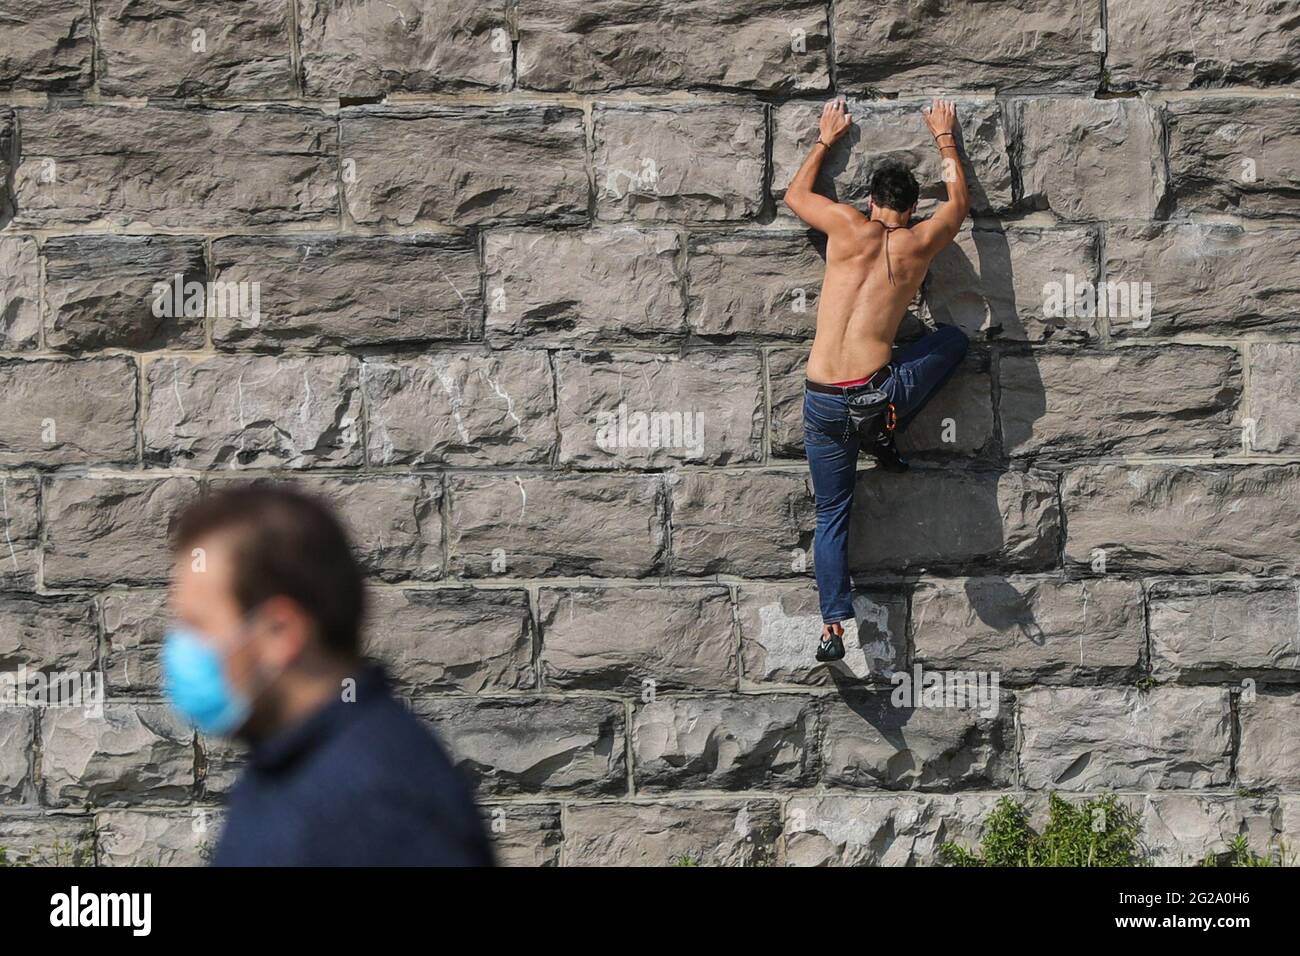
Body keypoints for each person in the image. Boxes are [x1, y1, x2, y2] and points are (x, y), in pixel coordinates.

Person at [163, 486, 494, 866]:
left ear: (280, 632)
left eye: (198, 625)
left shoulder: (380, 798)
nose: (180, 648)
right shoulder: (287, 762)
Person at [784, 98, 971, 663]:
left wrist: (825, 138)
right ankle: (886, 427)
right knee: (954, 341)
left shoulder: (844, 225)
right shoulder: (916, 244)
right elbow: (959, 203)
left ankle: (834, 626)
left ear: (869, 202)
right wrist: (944, 138)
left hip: (821, 400)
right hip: (874, 394)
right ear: (912, 210)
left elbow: (794, 196)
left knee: (831, 514)